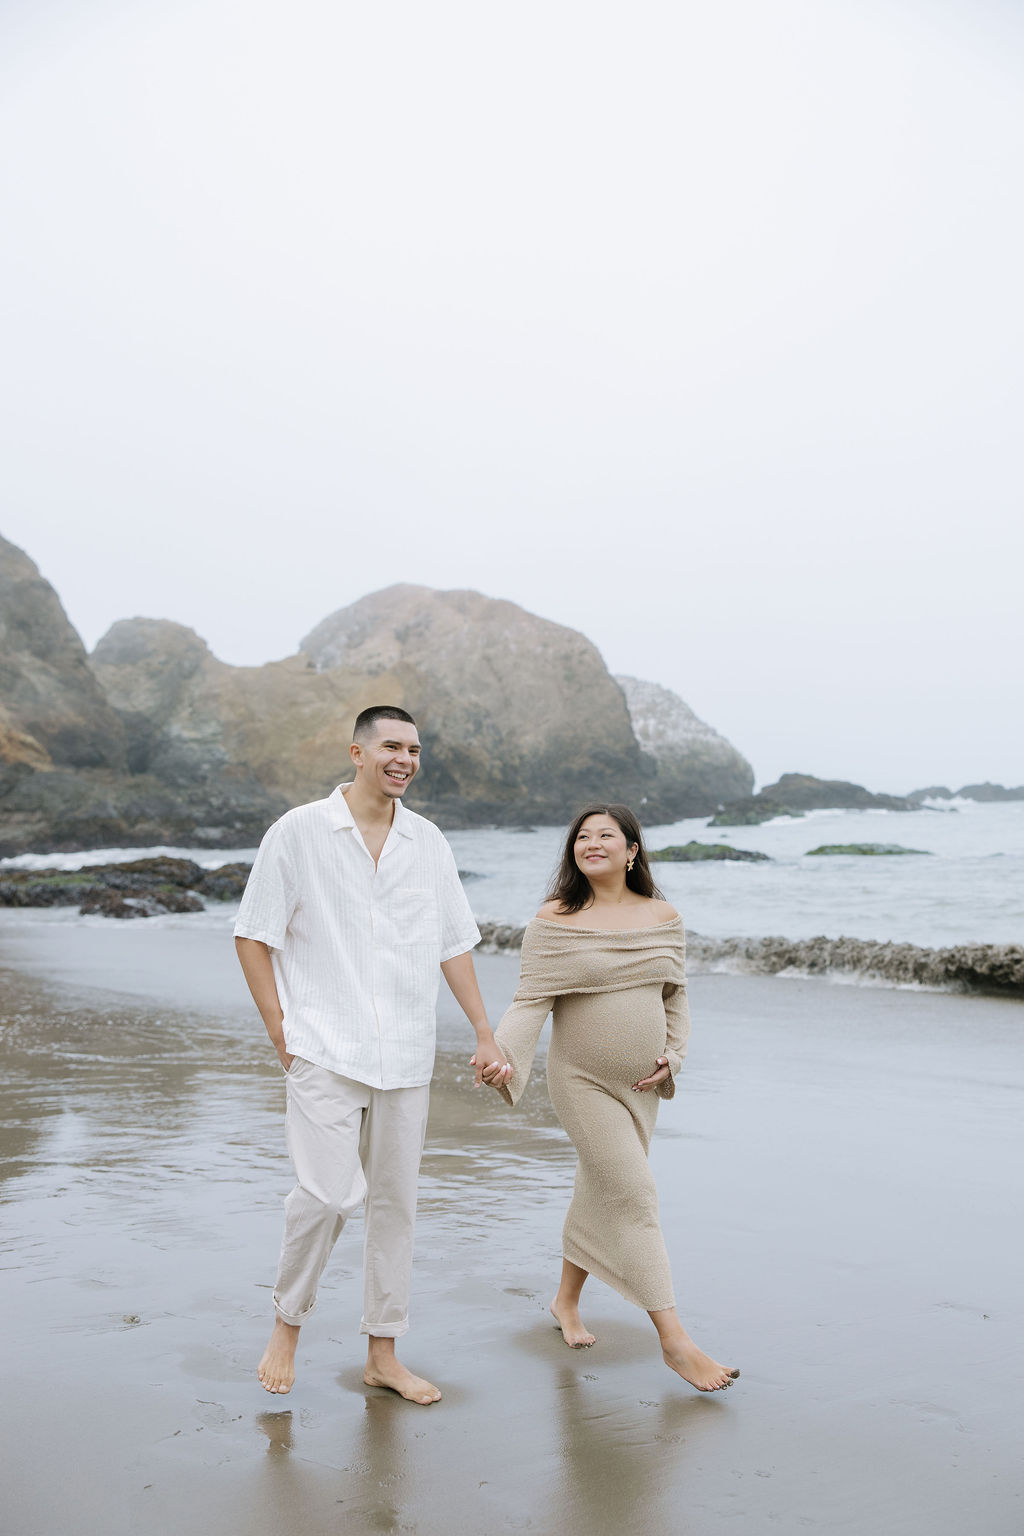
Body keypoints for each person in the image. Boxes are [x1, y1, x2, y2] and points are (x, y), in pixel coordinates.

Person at [234, 705, 511, 1404]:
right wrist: (281, 1031)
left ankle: (383, 1355)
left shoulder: (428, 842)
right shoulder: (298, 832)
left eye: (415, 750)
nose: (405, 760)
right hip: (322, 1047)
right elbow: (253, 933)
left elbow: (453, 943)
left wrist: (484, 1031)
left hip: (407, 1053)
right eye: (392, 746)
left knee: (395, 1207)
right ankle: (286, 1325)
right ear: (357, 753)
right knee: (325, 1196)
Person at [484, 803, 738, 1392]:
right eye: (582, 836)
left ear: (632, 851)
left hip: (641, 1086)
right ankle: (675, 1343)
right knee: (635, 1194)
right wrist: (503, 1056)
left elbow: (675, 998)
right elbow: (530, 1002)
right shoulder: (555, 919)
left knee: (603, 1186)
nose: (591, 843)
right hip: (581, 1081)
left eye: (606, 836)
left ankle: (565, 1301)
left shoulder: (663, 915)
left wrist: (672, 1057)